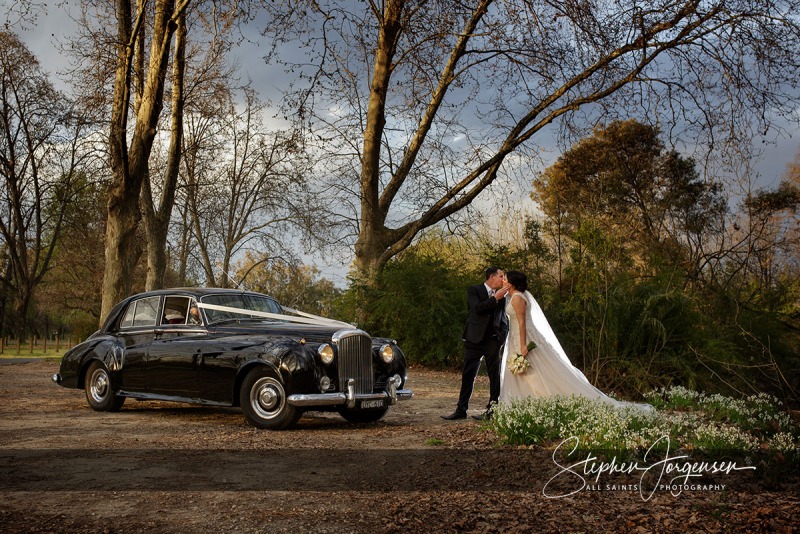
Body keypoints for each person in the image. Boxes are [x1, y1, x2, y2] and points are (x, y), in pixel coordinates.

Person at [499, 271, 652, 411]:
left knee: (536, 369)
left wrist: (523, 345)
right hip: (515, 337)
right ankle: (523, 401)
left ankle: (544, 398)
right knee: (526, 372)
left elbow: (522, 322)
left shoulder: (518, 297)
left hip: (523, 336)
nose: (503, 280)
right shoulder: (513, 296)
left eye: (505, 278)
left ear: (511, 283)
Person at [442, 266, 510, 421]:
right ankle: (461, 410)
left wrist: (501, 337)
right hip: (474, 339)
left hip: (493, 340)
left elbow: (503, 319)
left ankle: (492, 410)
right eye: (501, 276)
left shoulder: (503, 297)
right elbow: (477, 309)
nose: (503, 279)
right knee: (468, 375)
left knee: (494, 375)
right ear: (492, 277)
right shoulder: (474, 290)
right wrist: (495, 298)